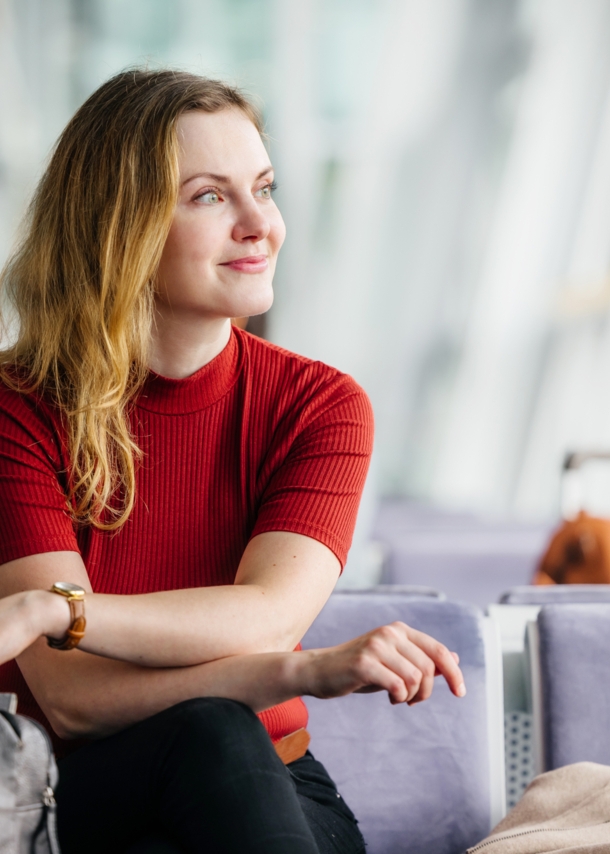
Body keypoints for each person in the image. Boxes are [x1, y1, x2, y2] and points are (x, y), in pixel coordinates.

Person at [0, 70, 466, 854]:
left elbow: (268, 618)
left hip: (267, 779)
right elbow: (75, 698)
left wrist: (61, 610)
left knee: (222, 747)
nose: (262, 224)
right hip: (78, 796)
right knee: (212, 732)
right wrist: (295, 674)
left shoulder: (320, 406)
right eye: (211, 197)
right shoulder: (17, 407)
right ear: (120, 227)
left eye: (265, 187)